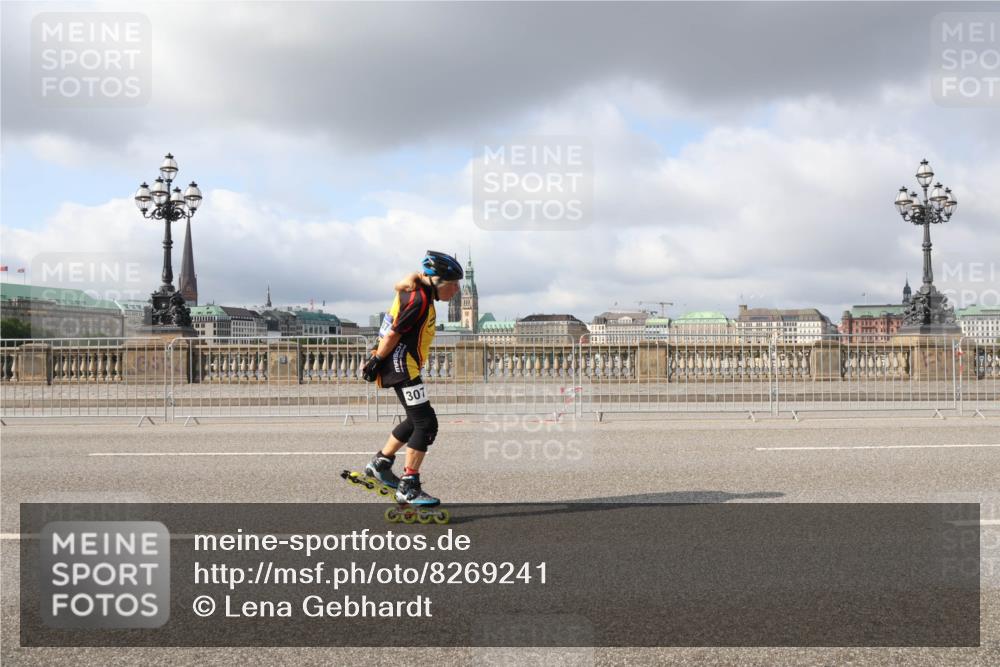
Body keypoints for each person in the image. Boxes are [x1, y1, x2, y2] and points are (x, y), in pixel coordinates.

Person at [360, 250, 463, 508]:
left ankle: (380, 463)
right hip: (401, 365)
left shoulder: (418, 290)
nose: (456, 291)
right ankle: (409, 486)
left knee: (415, 419)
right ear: (437, 281)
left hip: (404, 364)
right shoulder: (419, 300)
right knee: (426, 424)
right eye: (453, 285)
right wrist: (375, 361)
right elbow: (394, 332)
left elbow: (405, 287)